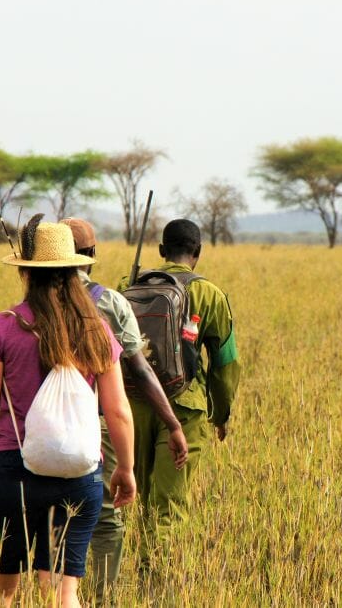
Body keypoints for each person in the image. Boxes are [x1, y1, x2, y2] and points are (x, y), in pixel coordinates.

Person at [0, 216, 136, 608]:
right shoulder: (97, 329)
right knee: (60, 592)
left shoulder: (3, 327)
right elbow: (117, 411)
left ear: (25, 273)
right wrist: (126, 469)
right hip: (78, 474)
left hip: (12, 470)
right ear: (76, 269)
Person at [60, 217, 189, 603]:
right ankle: (100, 596)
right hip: (94, 426)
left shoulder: (29, 306)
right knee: (103, 519)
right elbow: (141, 369)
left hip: (33, 428)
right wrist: (173, 423)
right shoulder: (109, 302)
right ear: (92, 256)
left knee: (46, 515)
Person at [117, 218, 240, 570]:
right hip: (185, 409)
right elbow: (225, 363)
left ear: (160, 251)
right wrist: (221, 414)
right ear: (197, 254)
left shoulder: (128, 285)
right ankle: (158, 578)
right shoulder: (209, 294)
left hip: (132, 404)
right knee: (169, 504)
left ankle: (131, 572)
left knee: (132, 495)